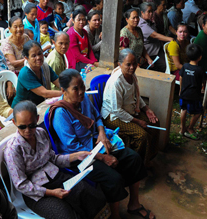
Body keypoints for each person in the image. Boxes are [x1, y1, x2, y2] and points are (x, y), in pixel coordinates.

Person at [48, 69, 155, 219]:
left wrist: (102, 133)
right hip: (78, 158)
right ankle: (115, 216)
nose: (80, 92)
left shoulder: (83, 99)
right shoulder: (61, 114)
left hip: (94, 144)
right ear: (63, 90)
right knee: (113, 178)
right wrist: (103, 157)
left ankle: (134, 204)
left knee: (133, 158)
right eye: (75, 88)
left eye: (82, 87)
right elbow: (72, 146)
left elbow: (97, 117)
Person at [4, 101, 107, 219]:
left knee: (87, 193)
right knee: (64, 214)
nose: (28, 130)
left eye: (32, 125)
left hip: (56, 177)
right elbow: (21, 184)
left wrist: (76, 156)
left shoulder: (41, 133)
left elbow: (53, 158)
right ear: (14, 122)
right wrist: (51, 192)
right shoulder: (13, 150)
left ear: (37, 119)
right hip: (36, 193)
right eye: (22, 126)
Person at [101, 49, 160, 166]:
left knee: (155, 124)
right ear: (120, 64)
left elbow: (135, 96)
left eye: (134, 64)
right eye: (128, 64)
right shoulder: (116, 82)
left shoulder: (131, 76)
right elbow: (116, 110)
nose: (132, 67)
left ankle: (148, 158)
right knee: (141, 135)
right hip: (113, 117)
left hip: (128, 111)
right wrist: (138, 121)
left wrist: (146, 109)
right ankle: (135, 165)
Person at [12, 41, 62, 107]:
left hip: (39, 105)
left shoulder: (45, 67)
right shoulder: (25, 73)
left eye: (39, 53)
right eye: (34, 56)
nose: (38, 57)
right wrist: (66, 93)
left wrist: (68, 89)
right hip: (22, 109)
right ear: (26, 58)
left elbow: (58, 82)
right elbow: (44, 93)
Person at [179, 44, 207, 140]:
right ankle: (190, 127)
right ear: (200, 57)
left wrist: (180, 90)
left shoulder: (185, 66)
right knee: (198, 112)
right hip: (194, 96)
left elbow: (181, 78)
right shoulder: (200, 70)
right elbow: (206, 78)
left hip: (184, 94)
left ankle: (182, 128)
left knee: (183, 110)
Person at [138, 2, 173, 72]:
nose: (151, 13)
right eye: (149, 12)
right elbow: (155, 35)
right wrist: (171, 39)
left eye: (152, 11)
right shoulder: (142, 24)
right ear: (142, 13)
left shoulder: (149, 21)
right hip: (152, 53)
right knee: (165, 66)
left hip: (158, 48)